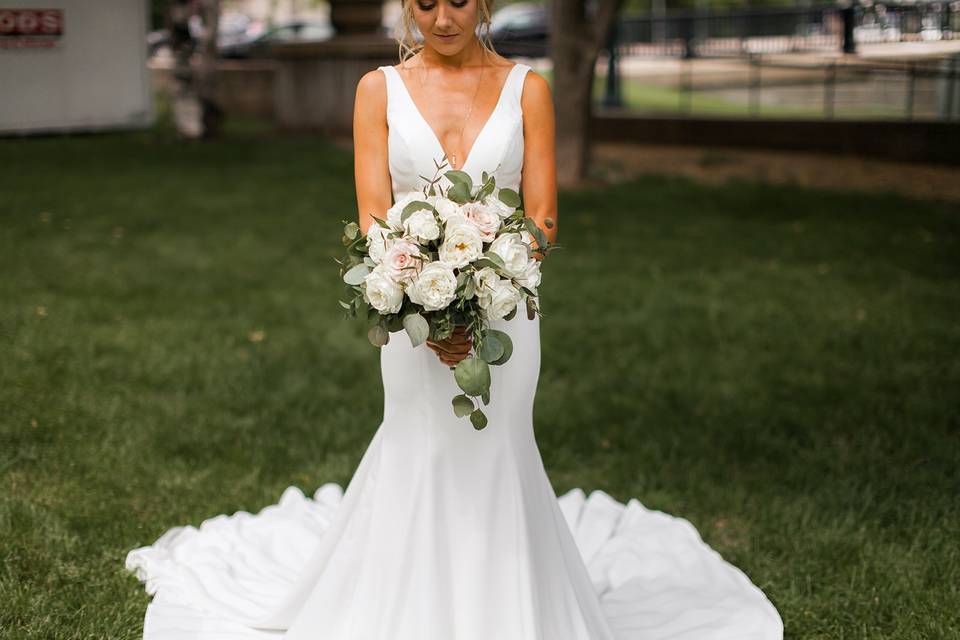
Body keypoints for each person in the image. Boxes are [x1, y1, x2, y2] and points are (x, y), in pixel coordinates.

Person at [124, 2, 785, 639]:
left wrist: (486, 290)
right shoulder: (376, 90)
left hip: (508, 318)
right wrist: (429, 310)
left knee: (497, 450)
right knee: (421, 453)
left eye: (459, 0)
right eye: (426, 1)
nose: (442, 18)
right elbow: (375, 220)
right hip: (414, 319)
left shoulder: (529, 89)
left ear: (486, 3)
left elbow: (543, 217)